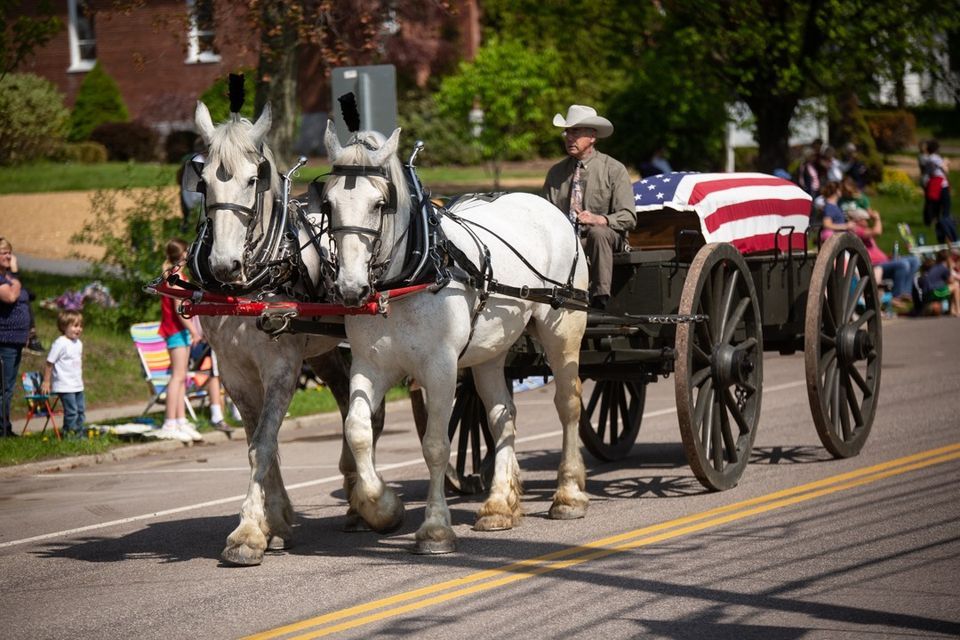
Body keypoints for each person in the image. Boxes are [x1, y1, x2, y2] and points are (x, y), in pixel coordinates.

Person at [543, 105, 636, 309]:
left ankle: (599, 298)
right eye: (567, 131)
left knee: (597, 233)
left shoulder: (613, 169)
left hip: (608, 239)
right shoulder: (556, 173)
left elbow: (629, 217)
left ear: (592, 136)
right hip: (568, 241)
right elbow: (545, 215)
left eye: (575, 131)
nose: (569, 137)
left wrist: (600, 219)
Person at [156, 238, 202, 443]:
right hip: (175, 331)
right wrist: (194, 332)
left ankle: (180, 419)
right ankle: (169, 423)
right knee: (177, 377)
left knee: (181, 377)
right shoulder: (174, 277)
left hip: (179, 332)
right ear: (182, 254)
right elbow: (178, 309)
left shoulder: (176, 275)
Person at [846, 206, 920, 307]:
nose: (867, 222)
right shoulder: (855, 229)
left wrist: (889, 257)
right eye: (865, 219)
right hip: (875, 266)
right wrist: (877, 218)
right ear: (858, 220)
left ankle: (906, 292)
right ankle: (896, 295)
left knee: (915, 260)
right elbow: (877, 232)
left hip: (884, 262)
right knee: (904, 264)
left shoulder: (864, 230)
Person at [0, 237, 31, 437]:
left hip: (16, 339)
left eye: (9, 252)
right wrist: (15, 274)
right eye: (3, 253)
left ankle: (5, 426)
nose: (8, 256)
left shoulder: (9, 279)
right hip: (4, 340)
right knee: (4, 388)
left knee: (9, 387)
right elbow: (11, 297)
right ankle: (2, 429)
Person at [40, 310, 86, 437]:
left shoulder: (79, 343)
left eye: (80, 325)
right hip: (65, 385)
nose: (79, 329)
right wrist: (47, 381)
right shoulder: (60, 343)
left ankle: (79, 433)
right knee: (72, 412)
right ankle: (68, 435)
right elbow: (50, 363)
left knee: (81, 411)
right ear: (64, 326)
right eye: (75, 326)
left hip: (77, 385)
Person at [923, 139, 957, 244]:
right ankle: (948, 231)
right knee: (946, 209)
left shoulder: (928, 158)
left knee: (936, 208)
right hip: (941, 185)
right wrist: (946, 162)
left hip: (933, 185)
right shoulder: (935, 158)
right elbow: (945, 169)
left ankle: (940, 230)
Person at [913, 250, 960, 317]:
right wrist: (951, 269)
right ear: (948, 260)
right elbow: (951, 281)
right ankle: (958, 310)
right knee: (956, 286)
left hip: (928, 292)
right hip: (934, 291)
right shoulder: (944, 268)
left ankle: (952, 310)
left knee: (951, 289)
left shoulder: (936, 267)